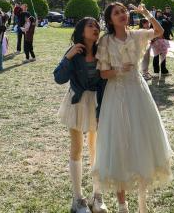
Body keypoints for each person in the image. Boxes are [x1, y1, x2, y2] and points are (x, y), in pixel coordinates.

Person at [94, 3, 173, 213]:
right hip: (115, 94)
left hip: (138, 93)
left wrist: (146, 13)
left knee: (142, 142)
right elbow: (103, 73)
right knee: (119, 144)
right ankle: (122, 205)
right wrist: (118, 69)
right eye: (116, 13)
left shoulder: (137, 35)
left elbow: (159, 31)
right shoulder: (106, 41)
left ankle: (142, 204)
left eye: (123, 11)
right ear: (110, 19)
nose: (122, 15)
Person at [55, 17, 108, 213]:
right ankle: (78, 199)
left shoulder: (103, 51)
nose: (95, 28)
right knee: (77, 148)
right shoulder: (74, 52)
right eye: (90, 25)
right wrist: (67, 57)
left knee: (97, 148)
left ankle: (98, 196)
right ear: (81, 31)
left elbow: (106, 79)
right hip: (76, 102)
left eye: (97, 25)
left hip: (98, 103)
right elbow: (59, 78)